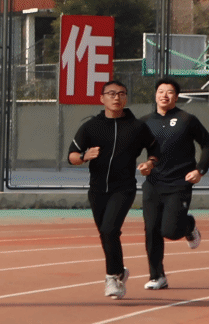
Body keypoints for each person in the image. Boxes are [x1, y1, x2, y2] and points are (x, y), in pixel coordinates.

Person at [67, 79, 158, 300]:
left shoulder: (137, 127)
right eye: (111, 93)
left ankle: (111, 277)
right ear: (102, 98)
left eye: (121, 93)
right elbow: (71, 156)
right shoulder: (91, 126)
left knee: (109, 229)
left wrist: (150, 163)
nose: (116, 97)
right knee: (106, 233)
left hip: (123, 188)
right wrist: (84, 156)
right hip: (97, 190)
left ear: (126, 98)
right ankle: (119, 271)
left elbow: (156, 149)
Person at [136, 77, 209, 292]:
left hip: (180, 183)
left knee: (170, 231)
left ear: (176, 96)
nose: (164, 95)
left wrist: (200, 170)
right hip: (153, 183)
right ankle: (157, 276)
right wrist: (143, 165)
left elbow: (208, 144)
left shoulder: (186, 119)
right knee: (151, 229)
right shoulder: (144, 122)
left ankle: (188, 225)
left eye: (169, 92)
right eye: (160, 91)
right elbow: (132, 148)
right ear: (155, 95)